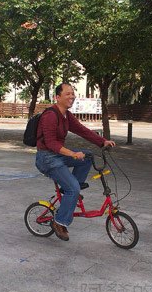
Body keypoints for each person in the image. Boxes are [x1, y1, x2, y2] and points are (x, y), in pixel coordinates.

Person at [35, 83, 115, 241]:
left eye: (73, 93)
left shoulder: (66, 115)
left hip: (57, 155)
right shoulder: (50, 115)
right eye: (67, 94)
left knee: (87, 156)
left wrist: (102, 141)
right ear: (57, 97)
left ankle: (69, 192)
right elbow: (51, 143)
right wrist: (72, 154)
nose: (72, 96)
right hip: (47, 158)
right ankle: (59, 222)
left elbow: (82, 130)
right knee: (73, 188)